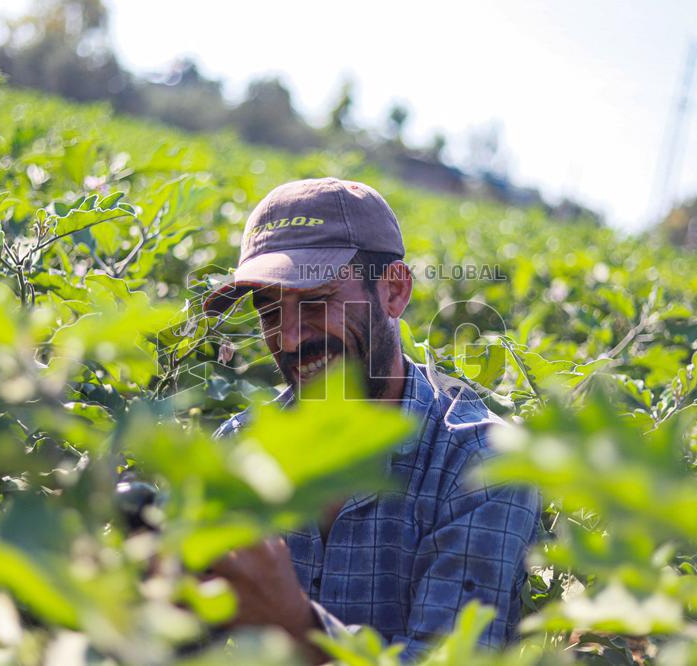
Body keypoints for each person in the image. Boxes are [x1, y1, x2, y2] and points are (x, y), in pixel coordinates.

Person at [202, 177, 540, 663]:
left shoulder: (481, 465)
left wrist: (297, 623)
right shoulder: (237, 449)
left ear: (394, 291)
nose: (290, 339)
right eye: (269, 309)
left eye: (317, 299)